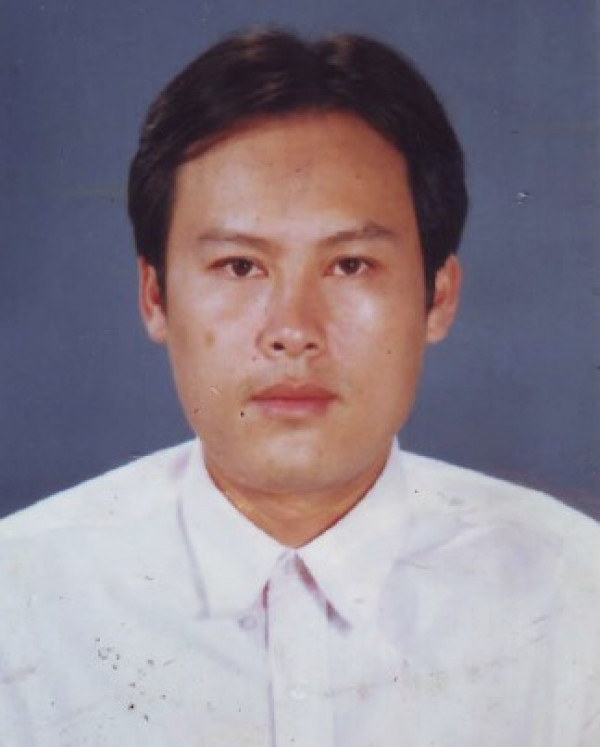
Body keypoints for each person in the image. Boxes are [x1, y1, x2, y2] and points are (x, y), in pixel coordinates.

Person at [1, 28, 599, 747]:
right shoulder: (21, 603)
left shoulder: (576, 597)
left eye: (349, 265)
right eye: (239, 266)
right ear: (155, 296)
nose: (292, 330)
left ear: (438, 297)